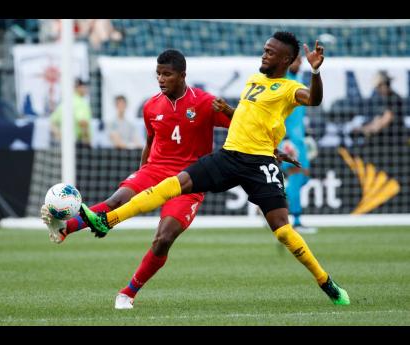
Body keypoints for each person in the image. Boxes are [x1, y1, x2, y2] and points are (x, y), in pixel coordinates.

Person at [79, 32, 350, 307]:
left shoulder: (289, 88)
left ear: (286, 60)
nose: (264, 54)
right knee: (174, 183)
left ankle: (325, 282)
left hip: (260, 164)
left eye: (270, 52)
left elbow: (313, 99)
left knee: (282, 230)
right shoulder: (254, 80)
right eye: (264, 50)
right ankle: (107, 221)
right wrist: (231, 111)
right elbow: (248, 120)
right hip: (229, 155)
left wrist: (315, 71)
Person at [42, 49, 237, 309]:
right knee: (118, 199)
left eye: (166, 74)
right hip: (155, 169)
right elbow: (149, 141)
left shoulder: (205, 103)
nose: (161, 79)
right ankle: (65, 228)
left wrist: (236, 115)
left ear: (182, 75)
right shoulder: (151, 106)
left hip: (190, 179)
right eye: (158, 74)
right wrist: (141, 174)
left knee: (164, 238)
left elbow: (242, 125)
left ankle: (128, 293)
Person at [279, 54, 317, 234]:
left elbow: (298, 115)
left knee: (305, 177)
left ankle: (274, 200)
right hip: (288, 140)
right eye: (297, 60)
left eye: (301, 60)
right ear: (286, 61)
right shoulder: (283, 82)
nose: (300, 63)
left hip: (300, 139)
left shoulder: (298, 80)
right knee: (295, 176)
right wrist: (285, 139)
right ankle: (296, 220)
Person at [352, 70, 405, 146]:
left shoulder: (394, 100)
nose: (377, 90)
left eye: (378, 86)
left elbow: (383, 123)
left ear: (384, 85)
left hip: (392, 141)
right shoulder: (384, 100)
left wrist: (364, 129)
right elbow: (377, 120)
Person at [50, 78, 92, 146]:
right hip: (79, 143)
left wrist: (61, 136)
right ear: (78, 88)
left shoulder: (64, 103)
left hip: (66, 145)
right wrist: (87, 141)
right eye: (84, 86)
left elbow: (52, 123)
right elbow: (83, 122)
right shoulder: (80, 102)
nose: (86, 89)